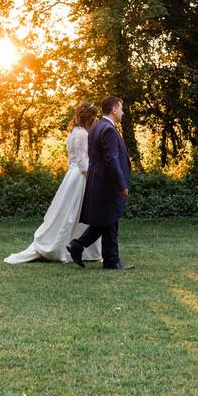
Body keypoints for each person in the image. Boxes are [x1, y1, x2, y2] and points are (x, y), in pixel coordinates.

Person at [4, 102, 102, 264]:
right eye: (95, 117)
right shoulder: (82, 135)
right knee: (75, 214)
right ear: (90, 118)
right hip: (81, 177)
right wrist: (94, 179)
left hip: (73, 176)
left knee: (73, 214)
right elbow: (83, 162)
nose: (96, 120)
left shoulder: (74, 132)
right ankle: (69, 247)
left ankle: (82, 249)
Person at [67, 96, 134, 270]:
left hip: (98, 180)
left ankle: (79, 246)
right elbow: (111, 159)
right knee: (110, 219)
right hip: (107, 182)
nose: (122, 112)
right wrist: (121, 184)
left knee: (107, 221)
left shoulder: (96, 127)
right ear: (114, 109)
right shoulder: (108, 129)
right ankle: (110, 261)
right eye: (121, 108)